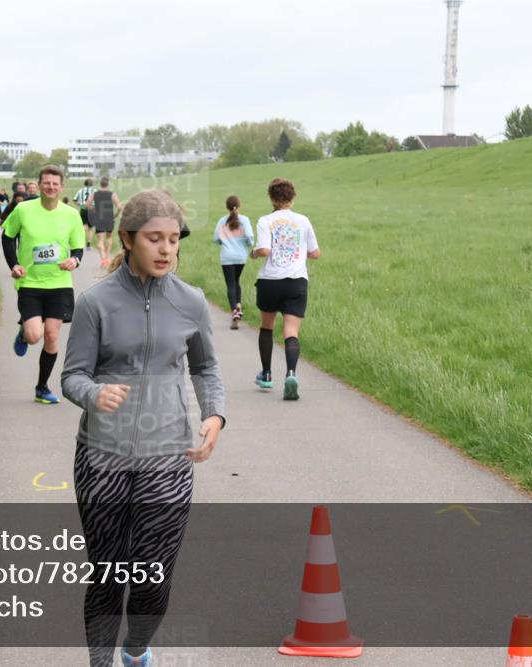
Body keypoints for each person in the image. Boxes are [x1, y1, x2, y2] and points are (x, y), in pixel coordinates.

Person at [61, 189, 226, 667]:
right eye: (155, 238)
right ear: (128, 239)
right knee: (108, 575)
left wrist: (214, 414)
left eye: (173, 239)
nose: (166, 249)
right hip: (102, 458)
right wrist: (94, 394)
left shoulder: (191, 302)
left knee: (153, 578)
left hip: (168, 457)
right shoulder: (95, 302)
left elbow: (206, 368)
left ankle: (135, 650)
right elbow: (72, 376)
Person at [2, 165, 84, 404]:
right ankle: (24, 332)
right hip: (30, 282)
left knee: (51, 335)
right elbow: (8, 237)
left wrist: (74, 260)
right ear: (39, 185)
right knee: (34, 335)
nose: (50, 187)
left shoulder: (71, 215)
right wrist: (14, 264)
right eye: (46, 183)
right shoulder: (23, 209)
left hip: (59, 283)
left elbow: (78, 247)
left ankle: (42, 387)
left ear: (61, 187)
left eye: (55, 184)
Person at [250, 178, 320, 399]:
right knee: (291, 331)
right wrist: (299, 250)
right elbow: (316, 253)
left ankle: (267, 375)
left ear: (271, 198)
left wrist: (253, 253)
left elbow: (264, 250)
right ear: (293, 197)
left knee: (267, 327)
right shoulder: (303, 220)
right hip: (296, 281)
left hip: (270, 281)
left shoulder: (265, 220)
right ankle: (291, 374)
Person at [213, 195, 254, 329]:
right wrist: (246, 244)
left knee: (231, 284)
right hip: (241, 257)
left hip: (227, 257)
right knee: (236, 281)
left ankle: (235, 311)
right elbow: (249, 237)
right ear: (239, 205)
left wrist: (225, 241)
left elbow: (216, 239)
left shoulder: (222, 221)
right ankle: (238, 305)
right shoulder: (245, 220)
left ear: (227, 207)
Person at [86, 176, 121, 267]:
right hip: (109, 218)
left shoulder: (94, 194)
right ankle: (107, 257)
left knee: (100, 240)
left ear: (100, 184)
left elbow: (87, 204)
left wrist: (93, 209)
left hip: (99, 218)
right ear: (108, 184)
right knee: (109, 238)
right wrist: (116, 215)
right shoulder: (112, 194)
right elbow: (119, 207)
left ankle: (103, 258)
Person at [73, 178, 96, 249]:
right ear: (92, 184)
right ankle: (88, 244)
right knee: (90, 228)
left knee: (84, 226)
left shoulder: (81, 190)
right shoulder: (94, 191)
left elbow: (74, 199)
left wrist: (80, 205)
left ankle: (79, 241)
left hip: (83, 209)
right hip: (92, 210)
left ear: (85, 183)